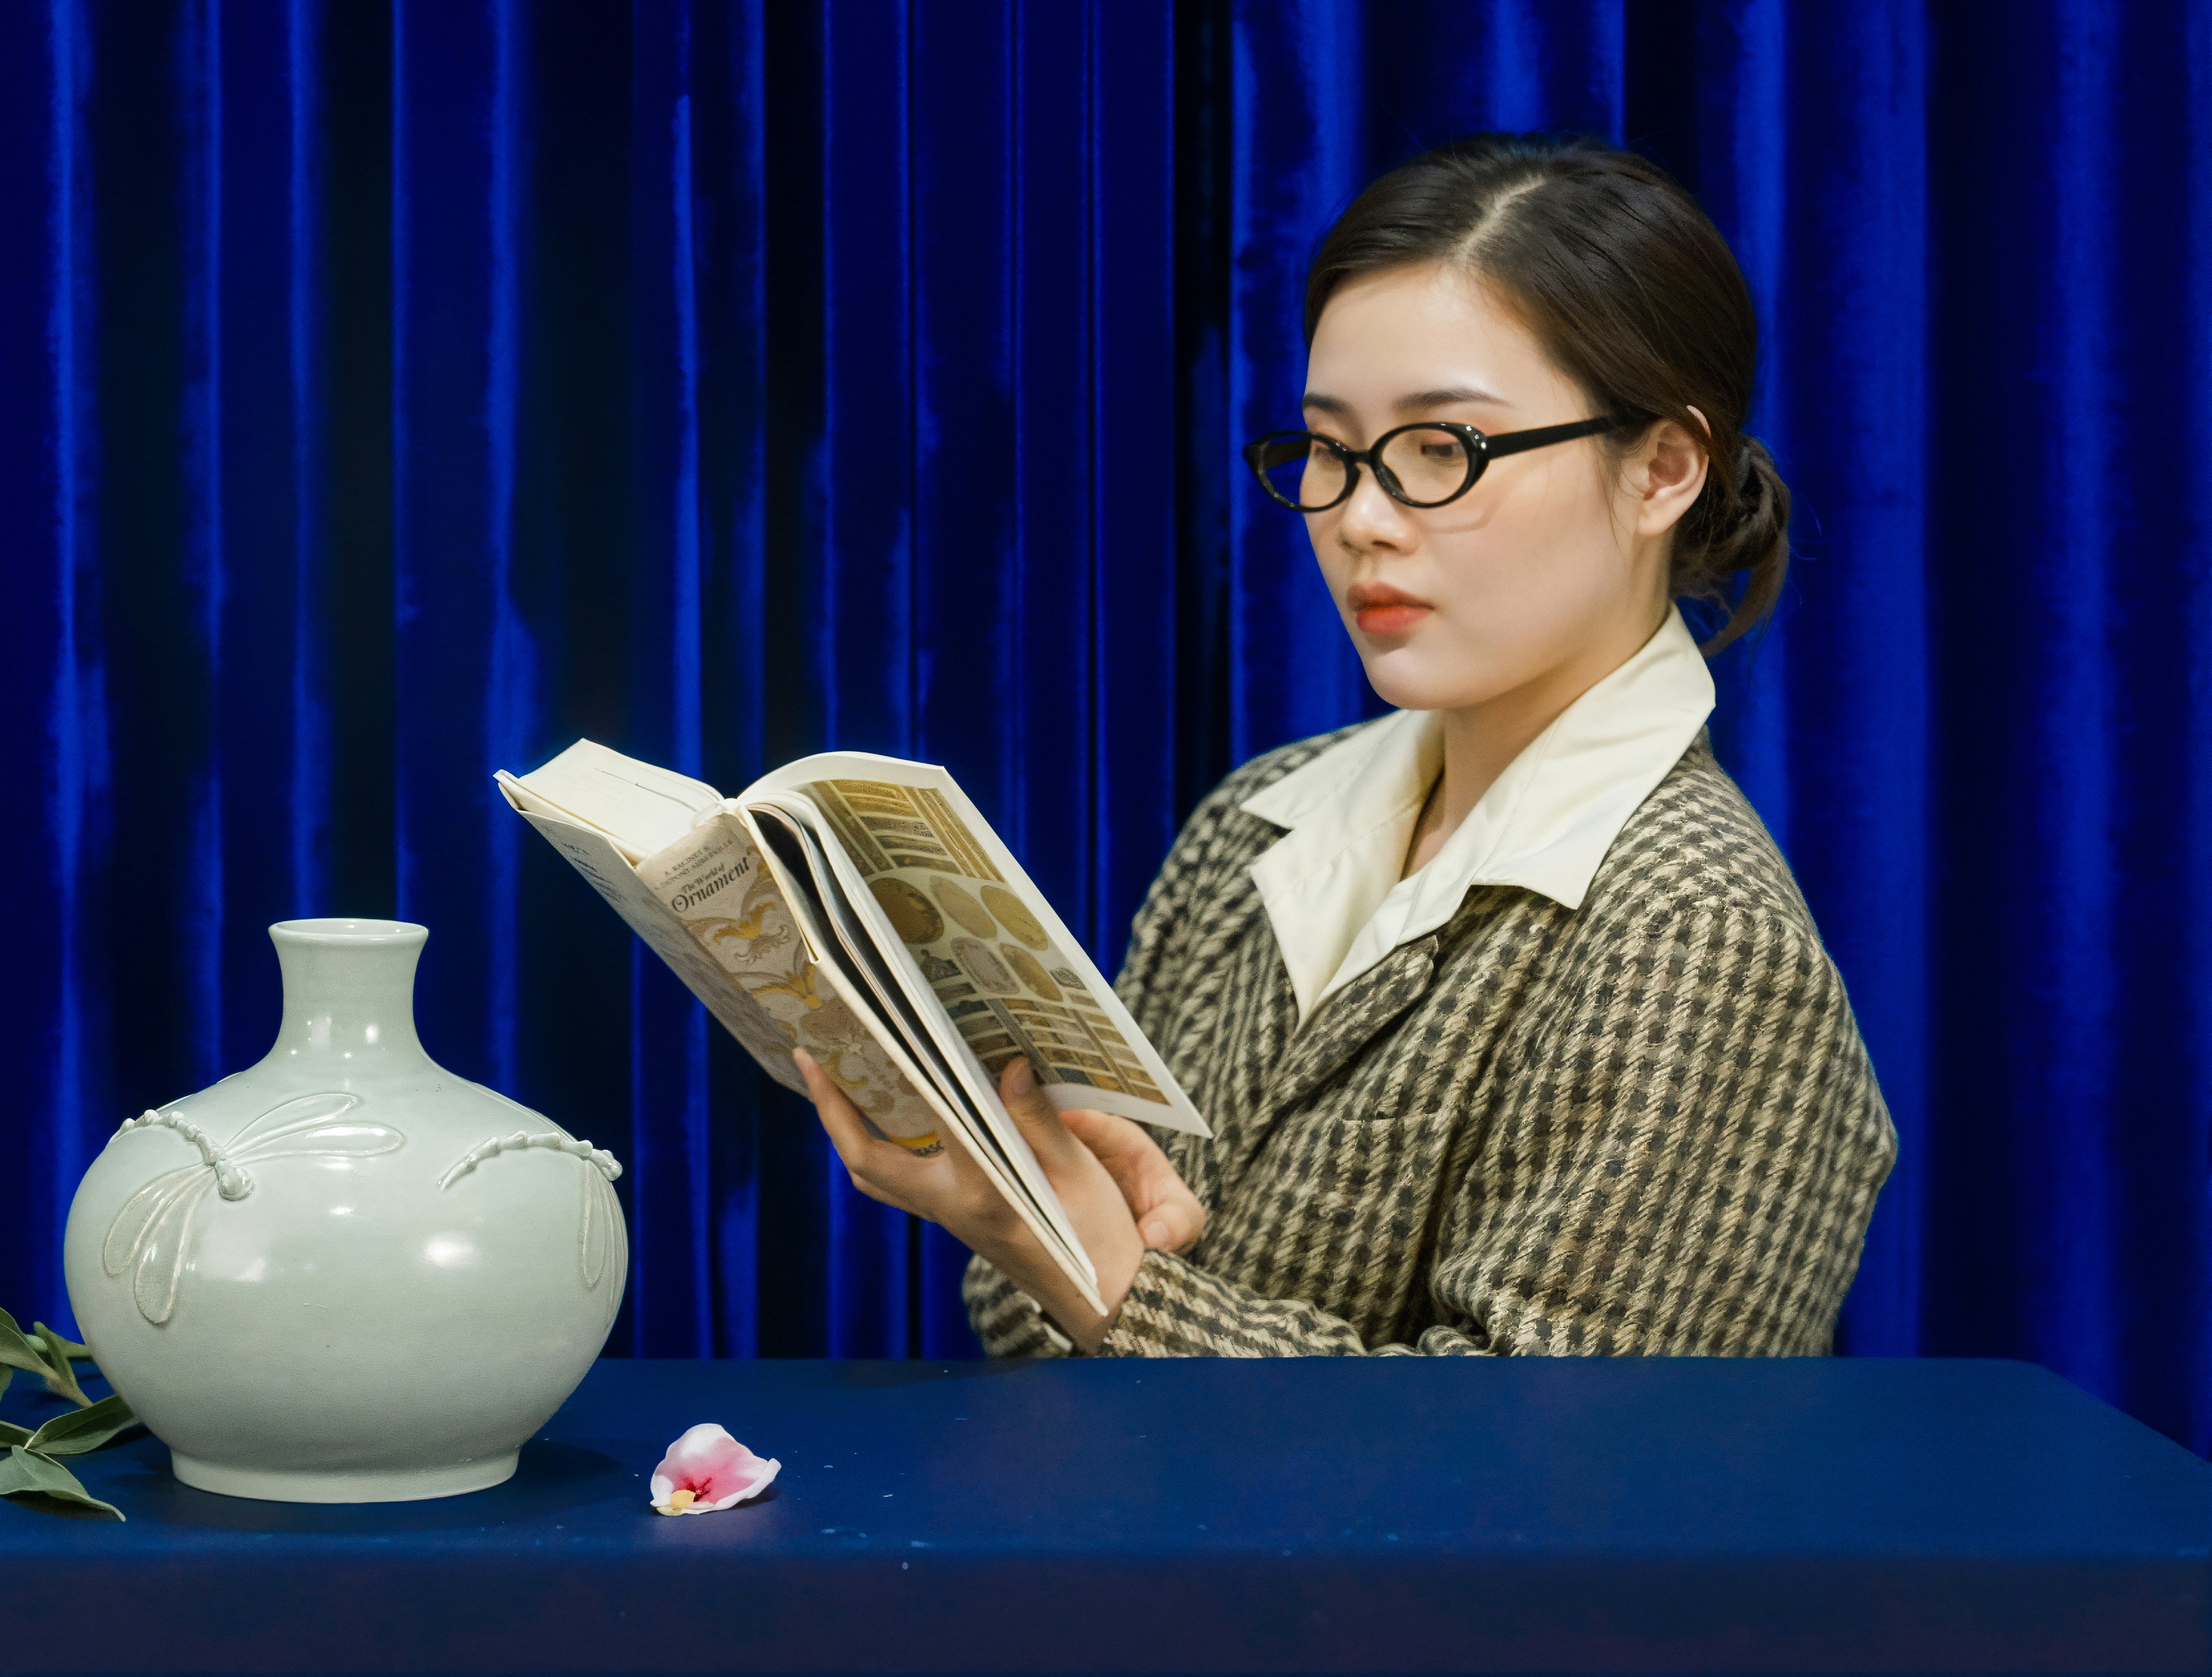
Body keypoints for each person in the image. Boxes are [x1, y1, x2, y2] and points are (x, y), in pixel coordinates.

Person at [795, 133, 1894, 1356]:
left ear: (1664, 471)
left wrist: (1104, 1277)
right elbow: (1027, 1316)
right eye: (1331, 448)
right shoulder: (1257, 816)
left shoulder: (1699, 934)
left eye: (1444, 450)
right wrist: (1035, 1220)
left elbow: (1560, 1501)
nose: (1361, 520)